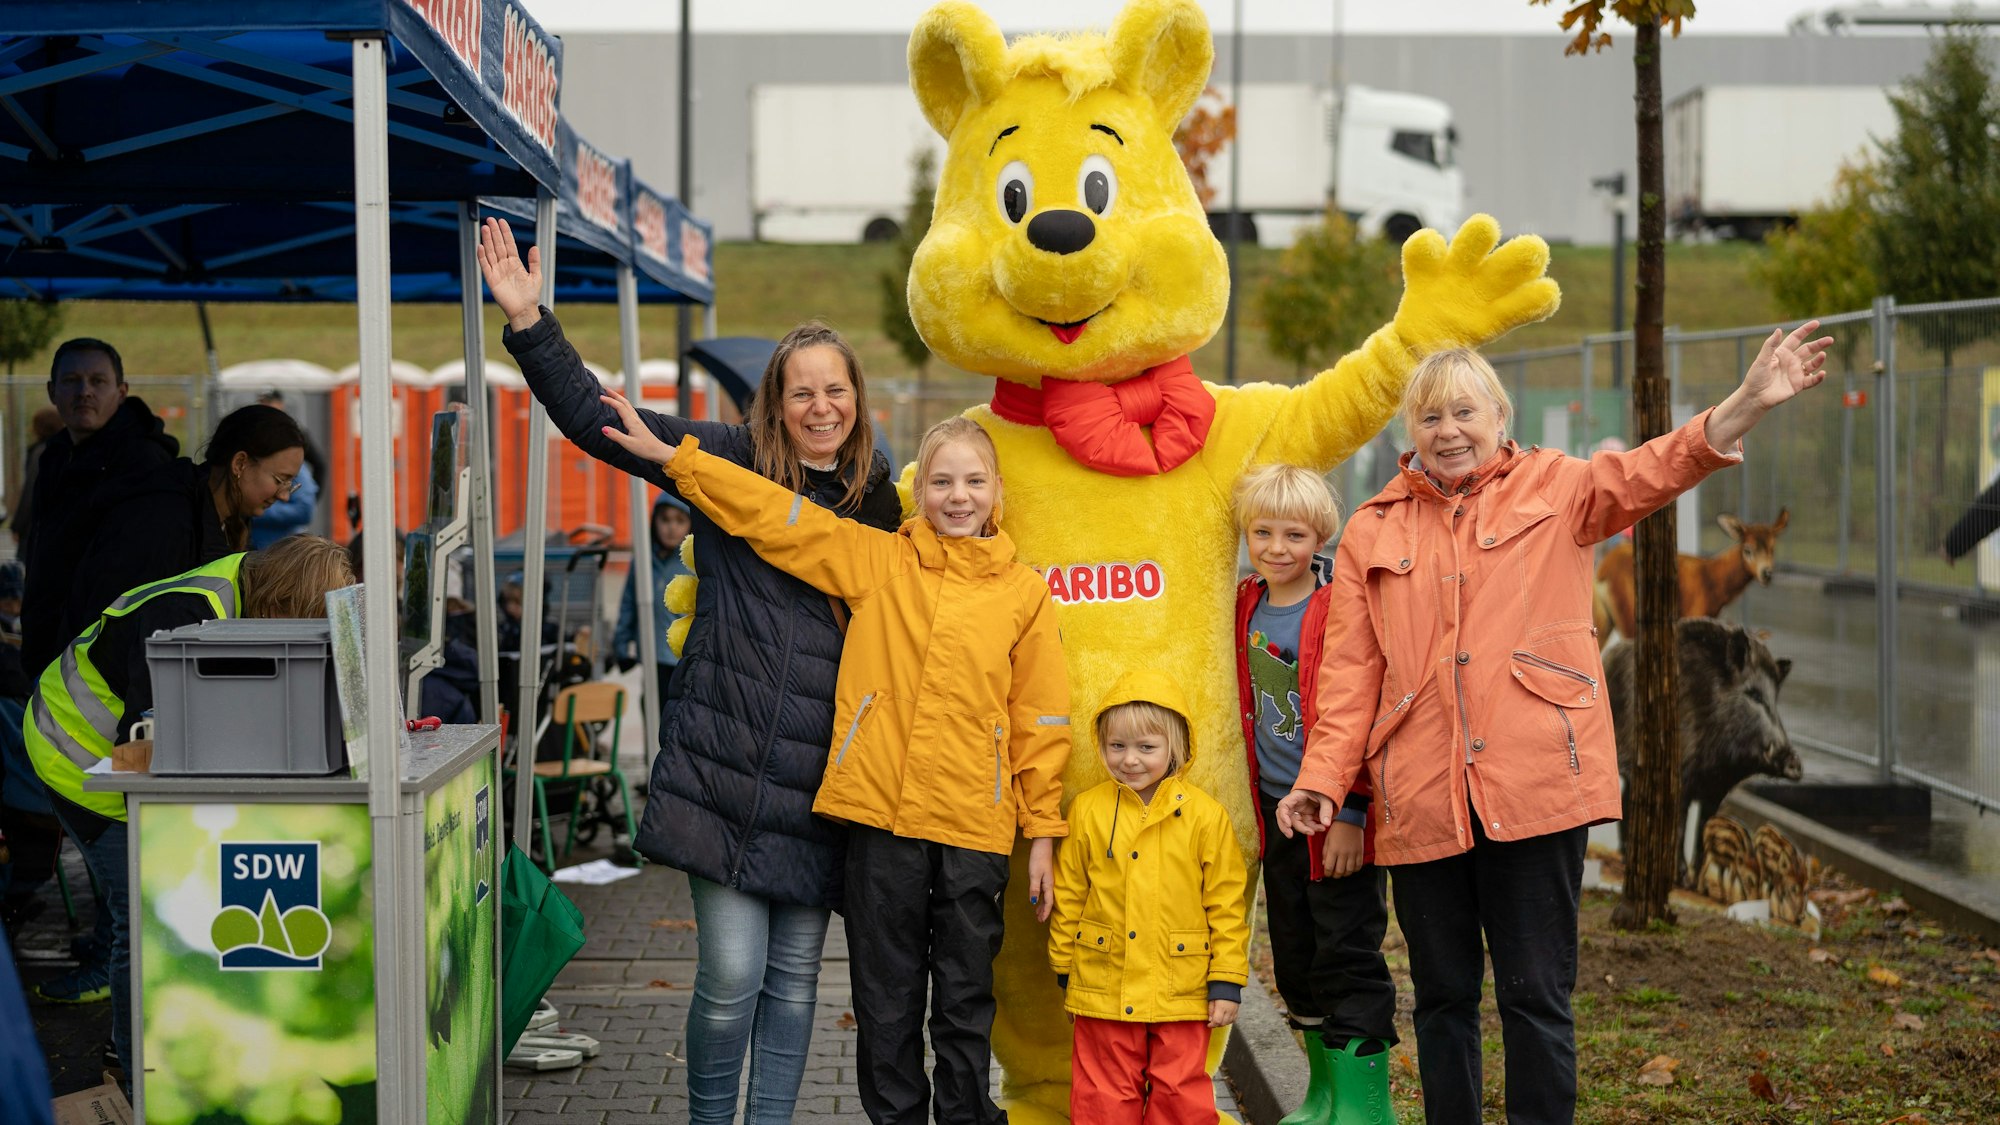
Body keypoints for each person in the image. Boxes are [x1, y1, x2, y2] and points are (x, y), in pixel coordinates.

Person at [1277, 325, 1833, 1125]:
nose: (1449, 431)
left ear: (1500, 416)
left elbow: (1656, 467)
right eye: (1430, 417)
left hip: (1536, 787)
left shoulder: (1559, 488)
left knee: (1537, 997)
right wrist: (1323, 783)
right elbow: (1350, 676)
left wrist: (1744, 405)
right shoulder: (1374, 527)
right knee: (1441, 1000)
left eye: (1465, 412)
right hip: (1424, 800)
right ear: (1412, 432)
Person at [479, 215, 903, 1125]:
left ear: (858, 399)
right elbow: (604, 424)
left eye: (836, 390)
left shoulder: (882, 498)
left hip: (823, 783)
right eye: (801, 392)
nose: (821, 406)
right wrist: (530, 323)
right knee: (733, 974)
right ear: (774, 402)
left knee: (792, 985)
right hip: (722, 764)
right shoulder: (727, 458)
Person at [600, 407, 1070, 1125]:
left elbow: (1041, 719)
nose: (958, 495)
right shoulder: (879, 561)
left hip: (975, 827)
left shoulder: (1024, 595)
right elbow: (779, 515)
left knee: (966, 999)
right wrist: (679, 462)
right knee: (886, 1005)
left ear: (997, 492)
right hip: (881, 823)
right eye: (942, 480)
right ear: (920, 491)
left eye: (974, 480)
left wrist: (1042, 830)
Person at [21, 536, 354, 1087]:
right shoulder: (188, 614)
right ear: (280, 603)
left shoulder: (242, 591)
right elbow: (148, 737)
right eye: (304, 617)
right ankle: (133, 1075)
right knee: (142, 910)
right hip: (75, 752)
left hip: (116, 756)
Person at [1230, 464, 1395, 1123]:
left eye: (1293, 533)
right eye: (1262, 531)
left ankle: (1366, 1104)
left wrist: (1354, 809)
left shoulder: (1336, 606)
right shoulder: (1246, 601)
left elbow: (1358, 711)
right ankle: (1323, 1094)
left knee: (1348, 952)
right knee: (1297, 956)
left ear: (1320, 534)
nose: (1276, 546)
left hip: (1335, 817)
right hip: (1279, 820)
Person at [1047, 670, 1248, 1125]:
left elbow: (1226, 904)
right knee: (1103, 1093)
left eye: (1146, 748)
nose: (1130, 760)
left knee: (1180, 1094)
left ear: (1174, 747)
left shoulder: (1204, 817)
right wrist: (1064, 965)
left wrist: (1227, 979)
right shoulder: (1088, 810)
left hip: (1182, 984)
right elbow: (1071, 891)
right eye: (1117, 746)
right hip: (1103, 981)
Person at [20, 338, 180, 677]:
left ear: (121, 392)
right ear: (52, 391)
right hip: (49, 652)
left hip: (100, 663)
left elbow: (132, 575)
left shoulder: (143, 461)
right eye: (71, 381)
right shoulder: (55, 455)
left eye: (98, 381)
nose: (84, 391)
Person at [610, 492, 693, 705]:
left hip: (683, 660)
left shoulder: (694, 564)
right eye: (665, 520)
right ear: (654, 520)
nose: (671, 527)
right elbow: (628, 603)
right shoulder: (643, 560)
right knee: (651, 708)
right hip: (651, 654)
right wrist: (621, 644)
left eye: (680, 520)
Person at [5, 406, 61, 549]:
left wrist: (18, 526)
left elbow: (31, 491)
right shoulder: (66, 448)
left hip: (37, 528)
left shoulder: (41, 452)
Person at [250, 460, 319, 547]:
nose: (284, 497)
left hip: (278, 548)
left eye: (279, 480)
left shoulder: (293, 464)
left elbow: (305, 510)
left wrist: (253, 509)